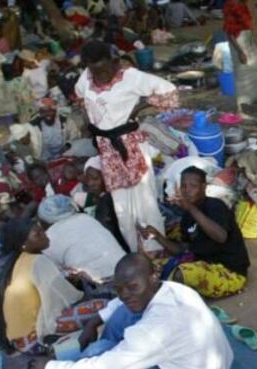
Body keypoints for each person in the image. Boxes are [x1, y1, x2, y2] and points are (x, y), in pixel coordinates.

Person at [5, 254, 233, 369]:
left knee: (97, 353)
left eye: (132, 287)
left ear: (153, 276)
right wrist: (94, 321)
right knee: (125, 311)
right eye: (119, 288)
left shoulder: (154, 330)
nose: (124, 294)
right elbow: (120, 303)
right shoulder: (172, 289)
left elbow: (102, 367)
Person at [76, 40, 179, 252]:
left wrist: (137, 108)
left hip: (130, 145)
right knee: (122, 207)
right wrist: (91, 121)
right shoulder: (86, 78)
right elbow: (80, 97)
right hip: (107, 149)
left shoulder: (130, 77)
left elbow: (168, 91)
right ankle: (135, 251)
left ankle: (155, 250)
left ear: (113, 62)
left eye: (105, 69)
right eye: (96, 71)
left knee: (145, 202)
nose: (101, 75)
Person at [0, 218, 104, 354]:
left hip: (18, 340)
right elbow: (66, 298)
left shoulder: (19, 261)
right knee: (103, 306)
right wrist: (76, 283)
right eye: (37, 234)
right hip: (34, 338)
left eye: (42, 231)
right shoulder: (37, 261)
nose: (45, 235)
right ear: (24, 244)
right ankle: (53, 342)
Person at [138, 167, 249, 299]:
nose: (187, 190)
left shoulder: (215, 206)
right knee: (151, 267)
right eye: (184, 186)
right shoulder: (187, 217)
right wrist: (158, 236)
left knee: (184, 273)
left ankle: (170, 303)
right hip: (205, 265)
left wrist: (190, 208)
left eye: (193, 186)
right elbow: (183, 250)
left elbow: (221, 236)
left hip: (230, 273)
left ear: (204, 187)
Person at [37, 194, 125, 285]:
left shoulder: (48, 238)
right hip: (125, 267)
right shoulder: (86, 218)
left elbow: (58, 275)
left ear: (44, 220)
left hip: (101, 282)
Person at [223, 0, 257, 115]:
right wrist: (240, 52)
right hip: (238, 42)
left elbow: (252, 25)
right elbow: (229, 32)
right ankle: (243, 103)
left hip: (248, 39)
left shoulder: (245, 4)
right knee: (243, 74)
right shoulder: (231, 4)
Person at [79, 156, 129, 253]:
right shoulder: (96, 198)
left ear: (106, 176)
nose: (91, 183)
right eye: (88, 180)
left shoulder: (109, 199)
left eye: (95, 179)